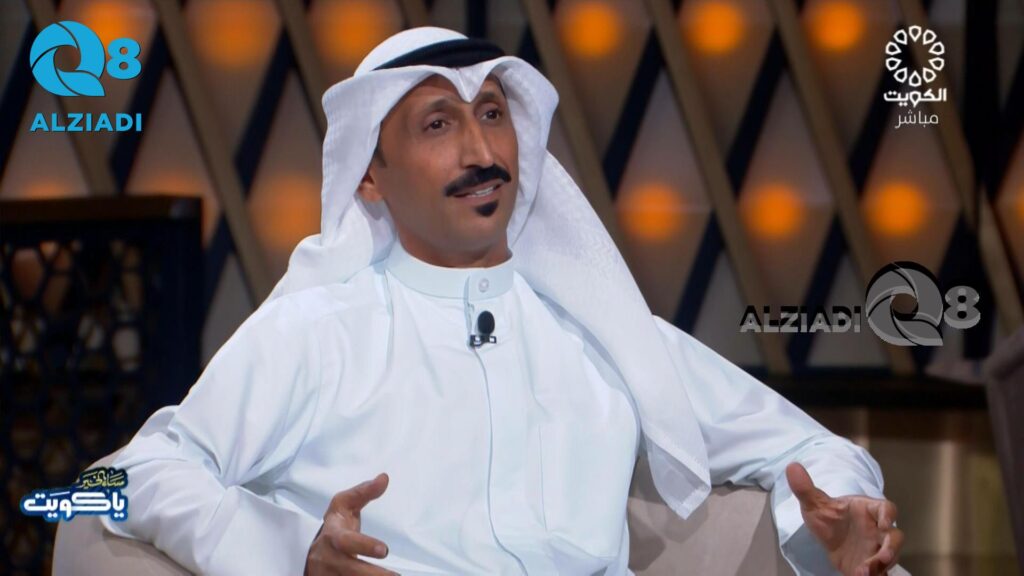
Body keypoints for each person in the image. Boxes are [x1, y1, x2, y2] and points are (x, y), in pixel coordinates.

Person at [101, 27, 903, 576]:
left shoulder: (600, 331)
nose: (482, 151)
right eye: (438, 124)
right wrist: (293, 550)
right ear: (370, 177)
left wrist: (834, 523)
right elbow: (134, 474)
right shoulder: (317, 332)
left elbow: (812, 450)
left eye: (492, 114)